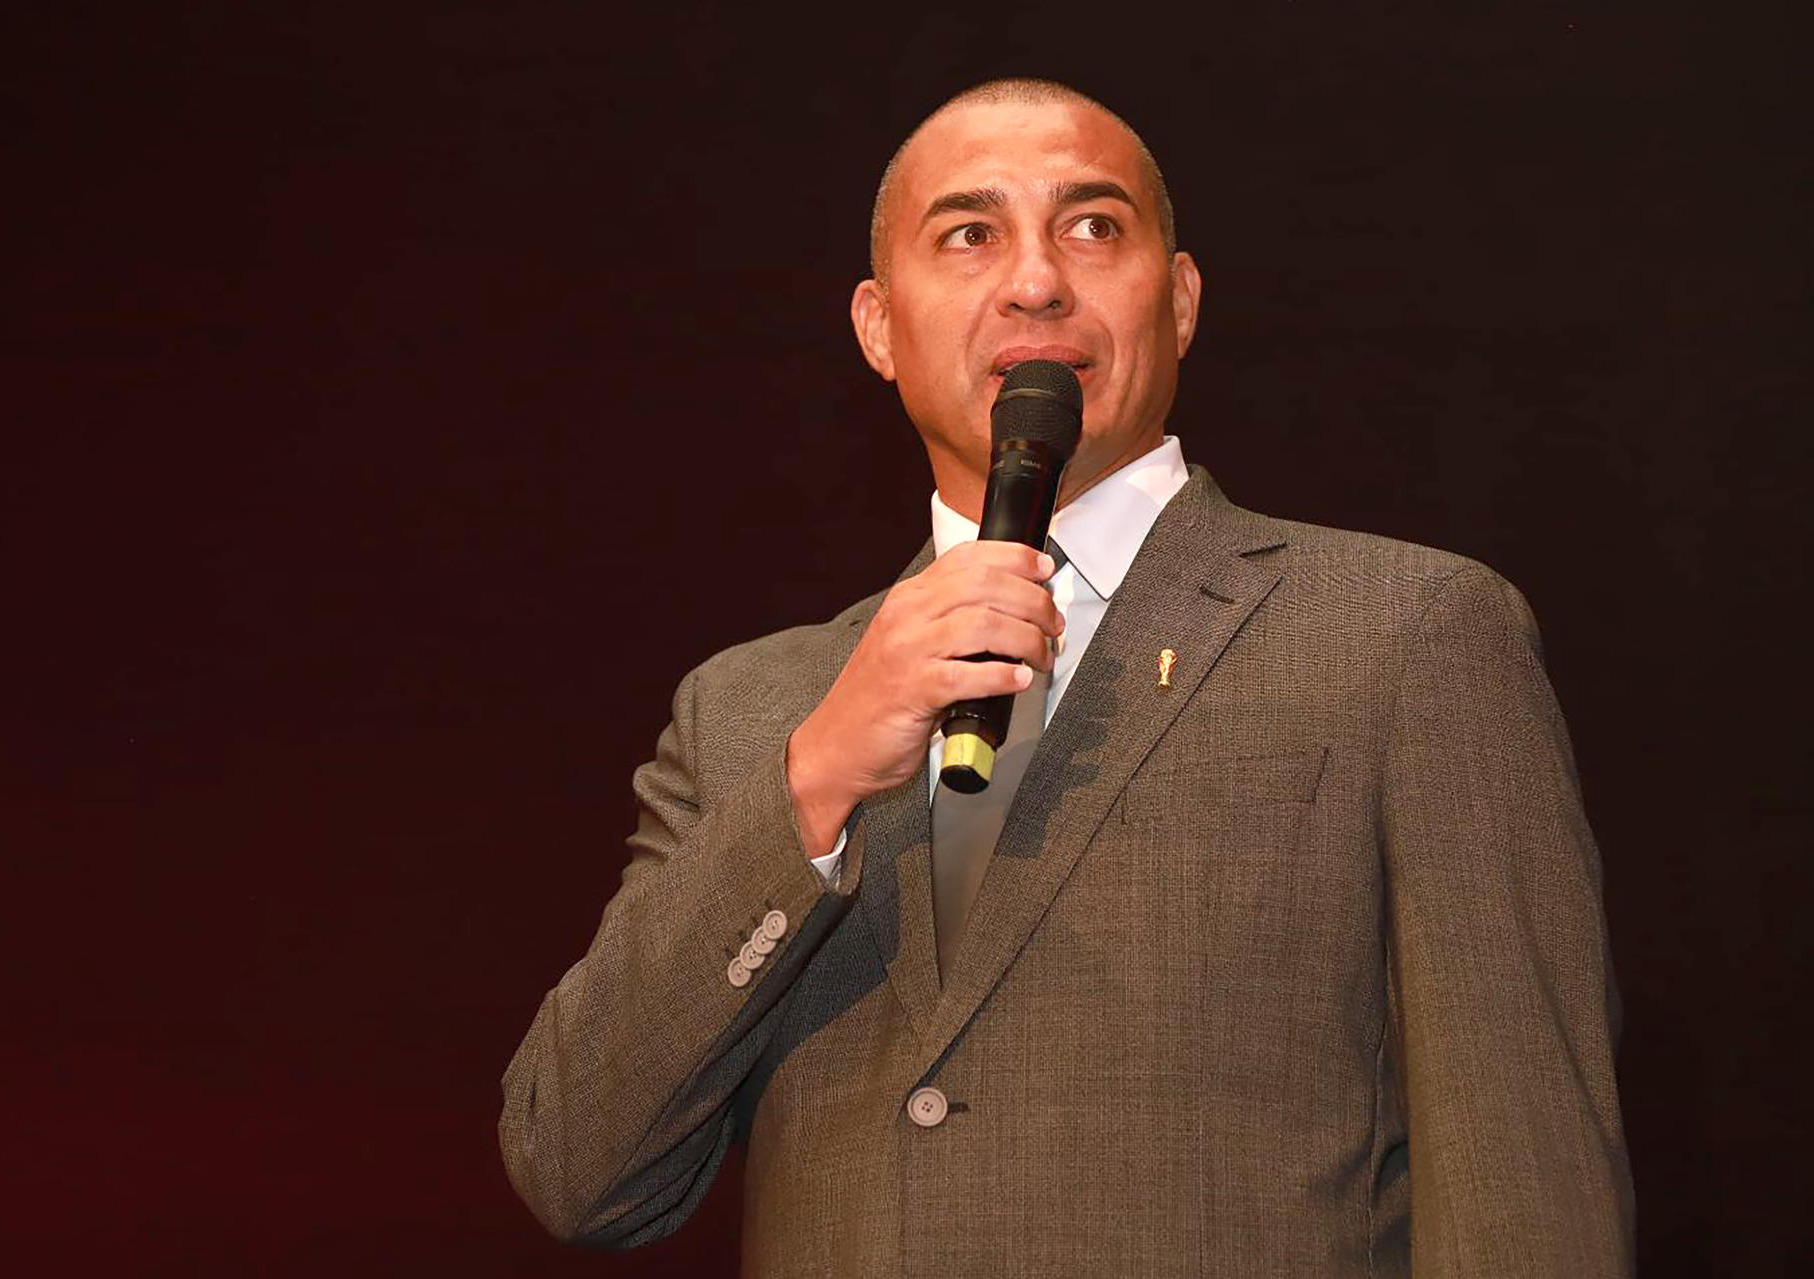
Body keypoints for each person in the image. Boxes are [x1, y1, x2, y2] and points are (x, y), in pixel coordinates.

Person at [499, 78, 1634, 1275]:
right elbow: (580, 1169)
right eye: (970, 234)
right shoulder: (748, 714)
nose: (1036, 280)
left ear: (1182, 302)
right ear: (879, 328)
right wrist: (815, 782)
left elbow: (1524, 1182)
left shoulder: (1405, 634)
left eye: (1094, 227)